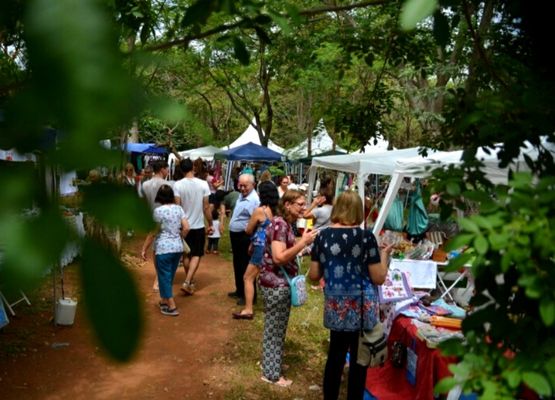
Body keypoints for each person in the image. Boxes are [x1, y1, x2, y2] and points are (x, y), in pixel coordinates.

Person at [308, 190, 392, 400]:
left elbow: (314, 275)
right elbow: (379, 277)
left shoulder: (323, 236)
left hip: (336, 305)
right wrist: (385, 255)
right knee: (359, 359)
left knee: (335, 357)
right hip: (362, 306)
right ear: (358, 210)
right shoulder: (366, 238)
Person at [259, 190, 318, 387]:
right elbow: (278, 257)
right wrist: (303, 243)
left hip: (279, 283)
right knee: (274, 330)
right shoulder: (280, 224)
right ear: (287, 205)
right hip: (276, 284)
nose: (304, 207)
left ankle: (272, 364)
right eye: (300, 204)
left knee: (277, 328)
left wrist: (303, 245)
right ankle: (271, 374)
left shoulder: (284, 224)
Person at [232, 181, 279, 320]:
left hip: (260, 247)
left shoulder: (260, 211)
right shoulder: (277, 210)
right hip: (274, 247)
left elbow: (248, 229)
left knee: (248, 277)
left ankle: (248, 309)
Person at [141, 185, 190, 316]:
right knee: (169, 276)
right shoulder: (179, 209)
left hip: (163, 248)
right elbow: (186, 227)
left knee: (164, 277)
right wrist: (179, 237)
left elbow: (153, 232)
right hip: (177, 248)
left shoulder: (158, 211)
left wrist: (144, 249)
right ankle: (164, 301)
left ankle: (172, 306)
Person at [173, 158, 214, 295]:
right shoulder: (203, 184)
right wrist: (211, 223)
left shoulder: (178, 185)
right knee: (196, 254)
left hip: (183, 225)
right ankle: (187, 281)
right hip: (197, 225)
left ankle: (189, 281)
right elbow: (206, 206)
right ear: (193, 168)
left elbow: (177, 206)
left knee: (186, 254)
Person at [228, 173, 259, 306]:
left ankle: (249, 296)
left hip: (245, 237)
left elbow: (256, 222)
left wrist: (252, 240)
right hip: (236, 235)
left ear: (253, 185)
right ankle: (239, 290)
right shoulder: (242, 196)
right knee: (237, 263)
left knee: (245, 265)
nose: (242, 188)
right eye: (240, 185)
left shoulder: (254, 200)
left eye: (245, 186)